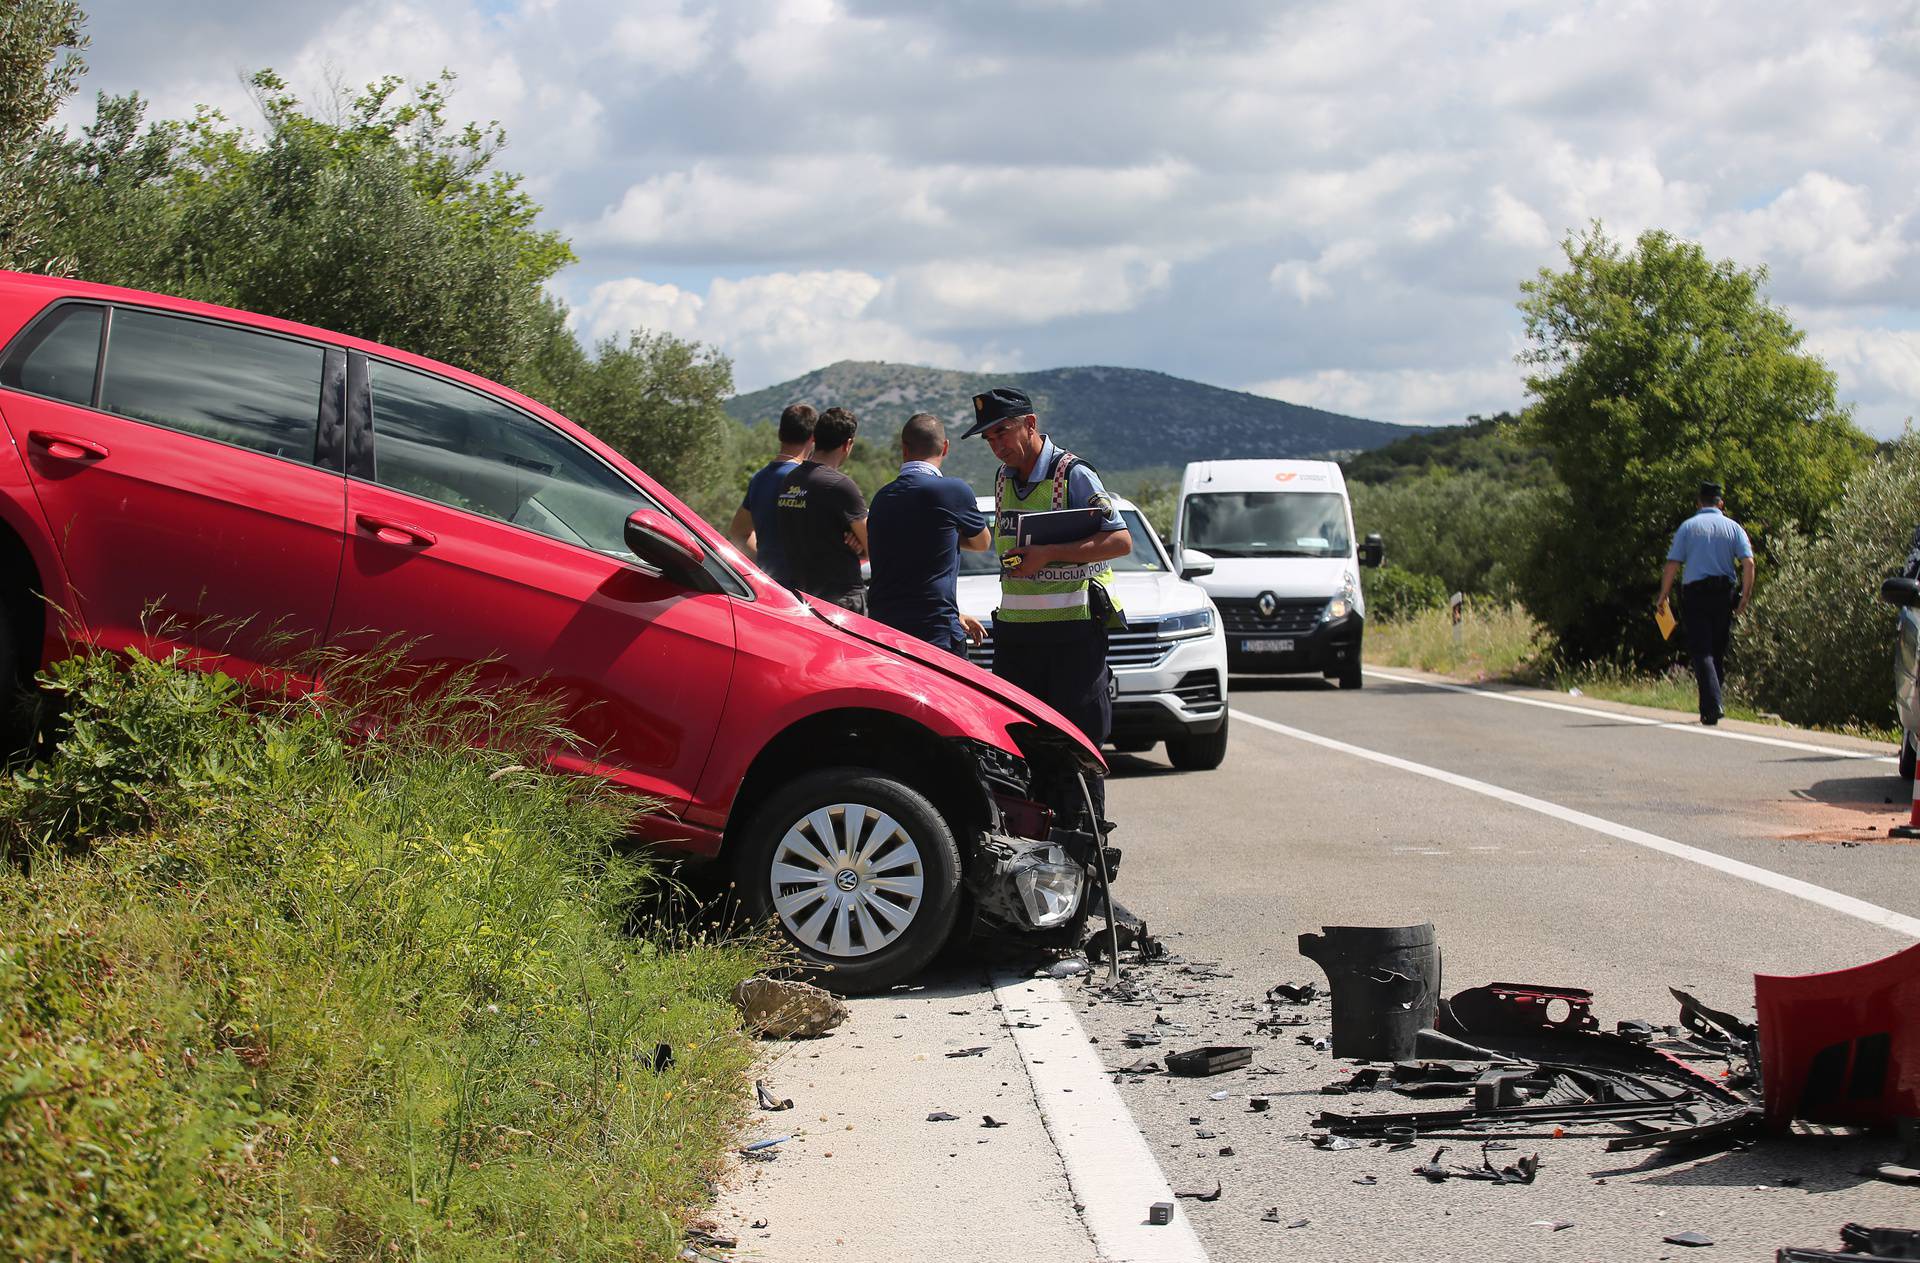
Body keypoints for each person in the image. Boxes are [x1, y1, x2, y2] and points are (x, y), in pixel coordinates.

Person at [962, 386, 1131, 824]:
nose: (997, 445)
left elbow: (1120, 540)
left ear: (1031, 424)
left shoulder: (1073, 473)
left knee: (1075, 753)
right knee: (1022, 755)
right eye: (989, 438)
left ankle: (1088, 873)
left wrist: (1049, 554)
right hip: (1018, 638)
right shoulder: (1003, 480)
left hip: (1072, 637)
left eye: (1003, 432)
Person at [867, 413, 993, 655]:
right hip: (935, 631)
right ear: (945, 447)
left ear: (903, 449)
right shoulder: (953, 491)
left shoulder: (882, 498)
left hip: (885, 632)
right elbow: (982, 543)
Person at [1656, 480, 1755, 726]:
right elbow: (1749, 563)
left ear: (1699, 503)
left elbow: (1672, 565)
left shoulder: (1688, 527)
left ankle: (1712, 705)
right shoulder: (1734, 528)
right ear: (1720, 503)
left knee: (1702, 651)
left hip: (1696, 595)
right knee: (1717, 652)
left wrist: (1663, 596)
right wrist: (1745, 595)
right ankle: (1711, 707)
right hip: (1724, 594)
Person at [776, 406, 869, 613]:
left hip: (801, 597)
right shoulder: (840, 486)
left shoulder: (789, 481)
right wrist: (860, 544)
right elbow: (875, 547)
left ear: (815, 438)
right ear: (848, 444)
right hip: (842, 600)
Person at [727, 402, 815, 586]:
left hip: (770, 587)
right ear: (813, 438)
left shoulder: (759, 478)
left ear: (779, 434)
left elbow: (738, 533)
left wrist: (767, 564)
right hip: (806, 592)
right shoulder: (809, 480)